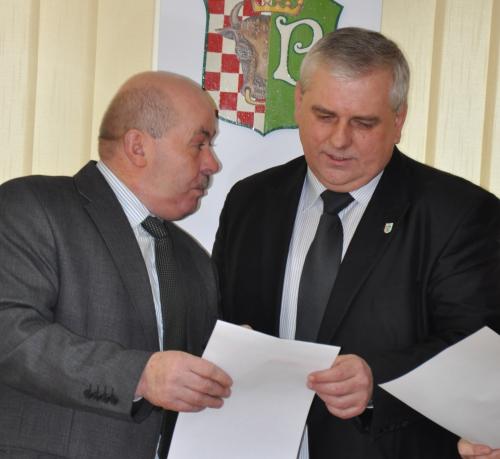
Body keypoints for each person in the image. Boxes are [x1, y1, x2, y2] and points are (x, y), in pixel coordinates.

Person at [212, 27, 500, 459]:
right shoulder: (250, 200)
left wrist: (375, 381)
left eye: (363, 123)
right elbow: (220, 318)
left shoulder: (459, 213)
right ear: (299, 102)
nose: (339, 140)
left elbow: (476, 353)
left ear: (399, 121)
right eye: (325, 116)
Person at [0, 71, 233, 458]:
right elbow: (10, 334)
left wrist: (235, 358)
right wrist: (140, 377)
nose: (213, 163)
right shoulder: (32, 207)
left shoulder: (194, 261)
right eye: (200, 143)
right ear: (138, 147)